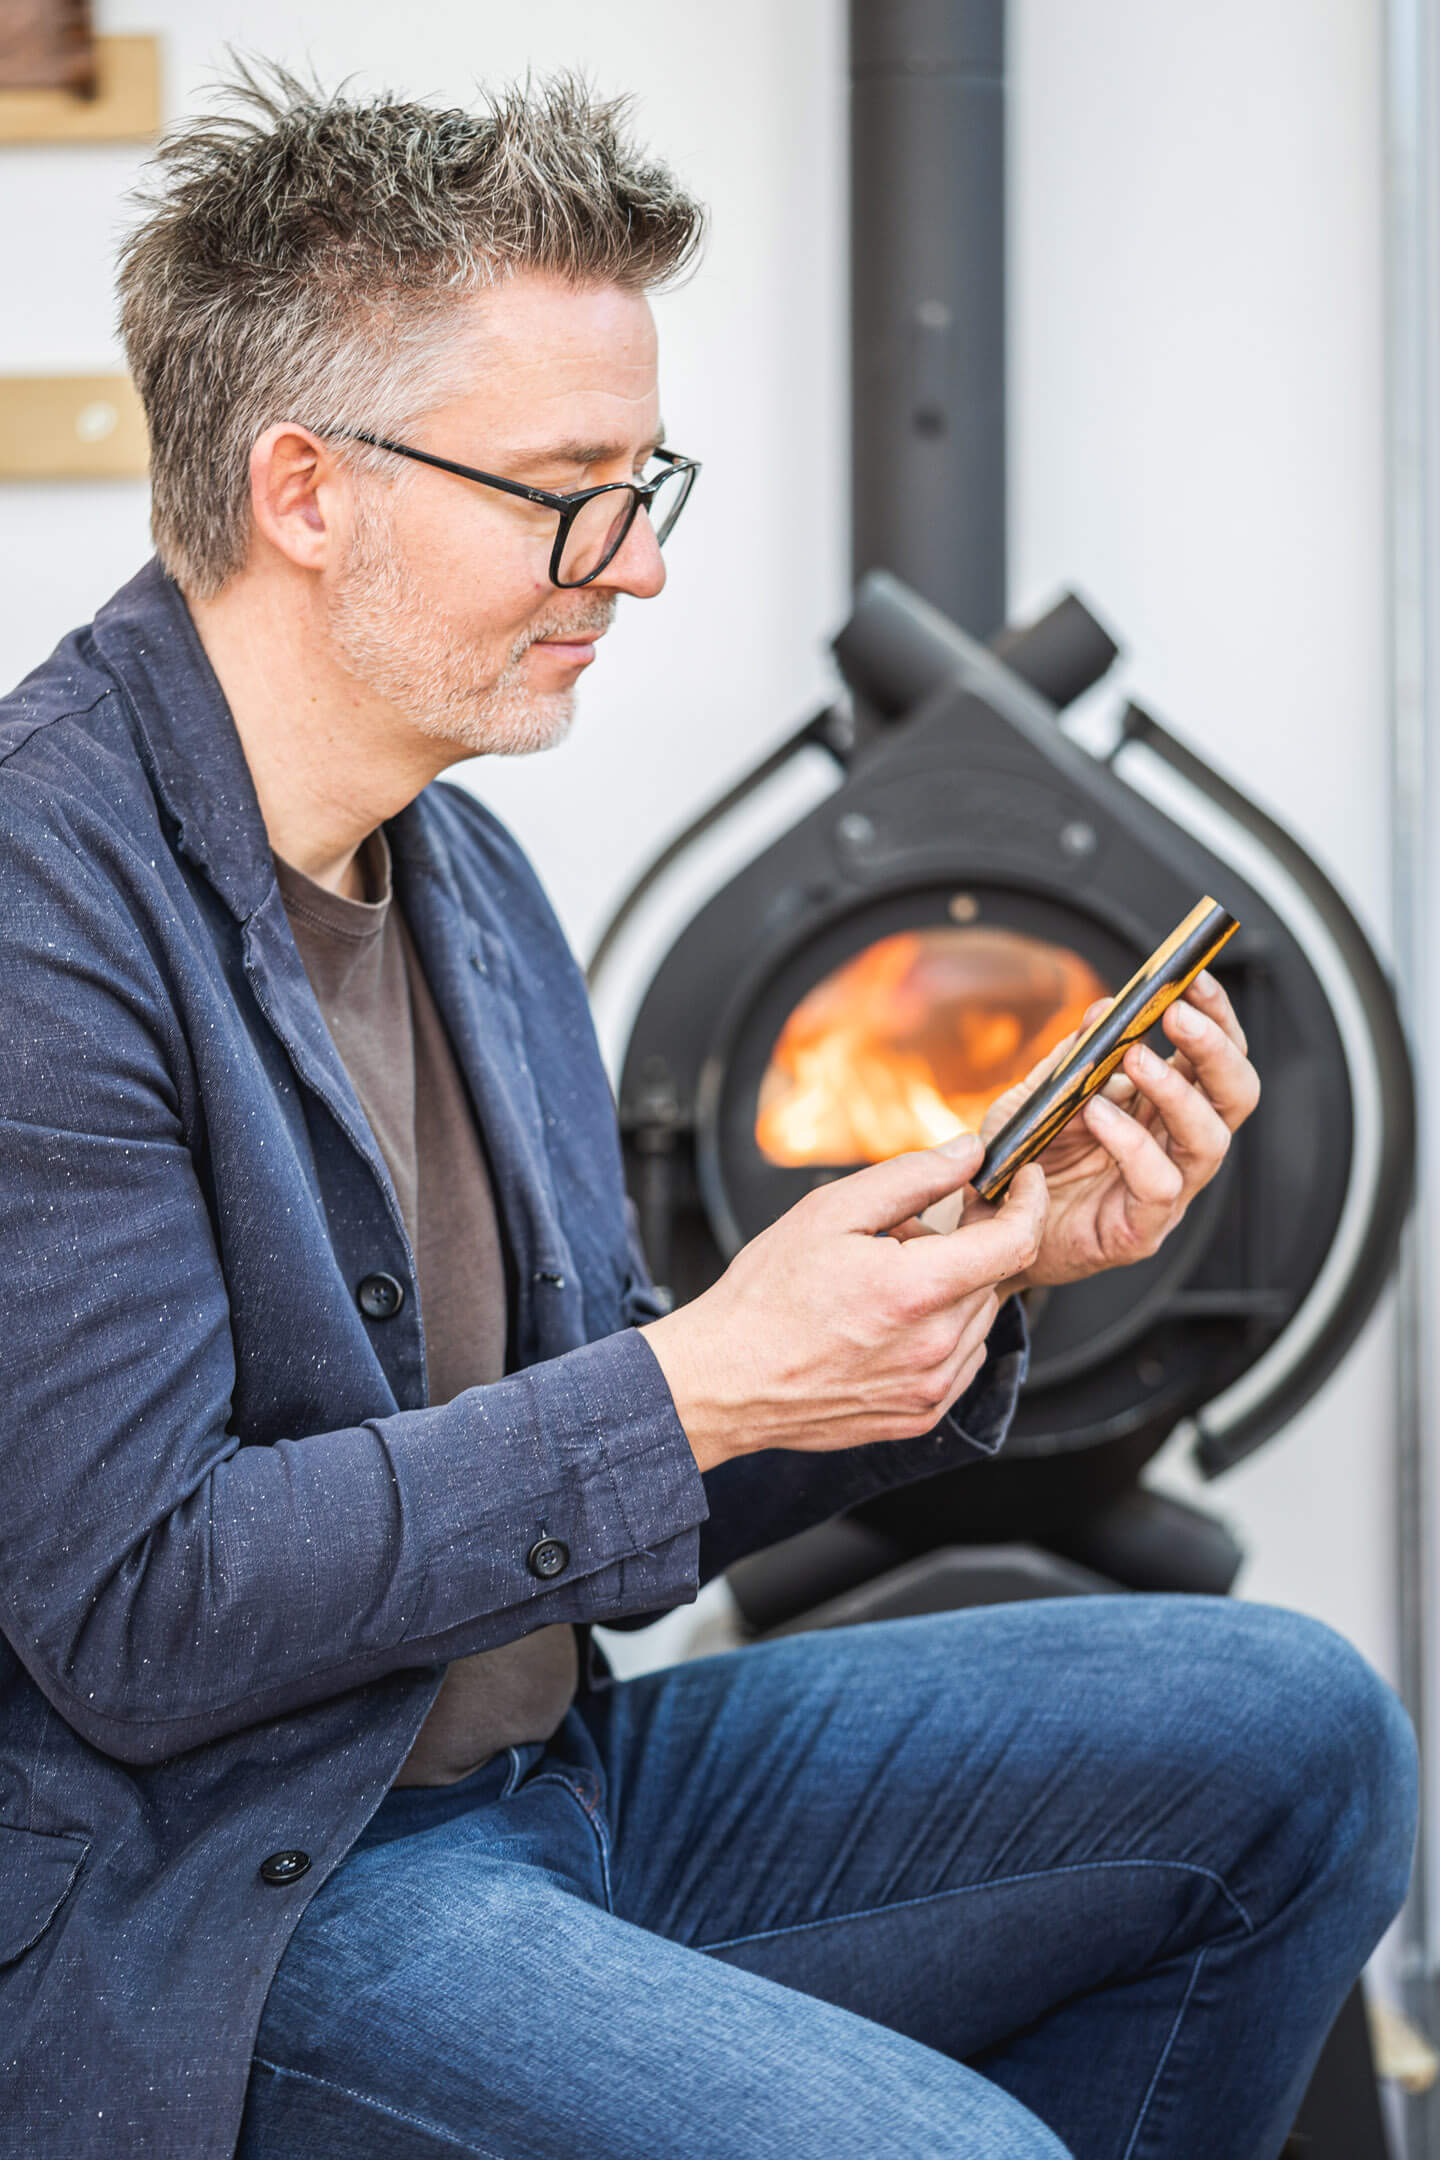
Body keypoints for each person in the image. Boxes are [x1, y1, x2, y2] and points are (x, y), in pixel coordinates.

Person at [0, 69, 1414, 2160]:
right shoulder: (43, 905)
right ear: (307, 489)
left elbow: (610, 1472)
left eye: (645, 477)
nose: (639, 562)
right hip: (235, 1899)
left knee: (1303, 1728)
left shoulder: (456, 871)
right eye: (571, 487)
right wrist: (694, 1390)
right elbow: (138, 1613)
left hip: (552, 1790)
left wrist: (955, 1298)